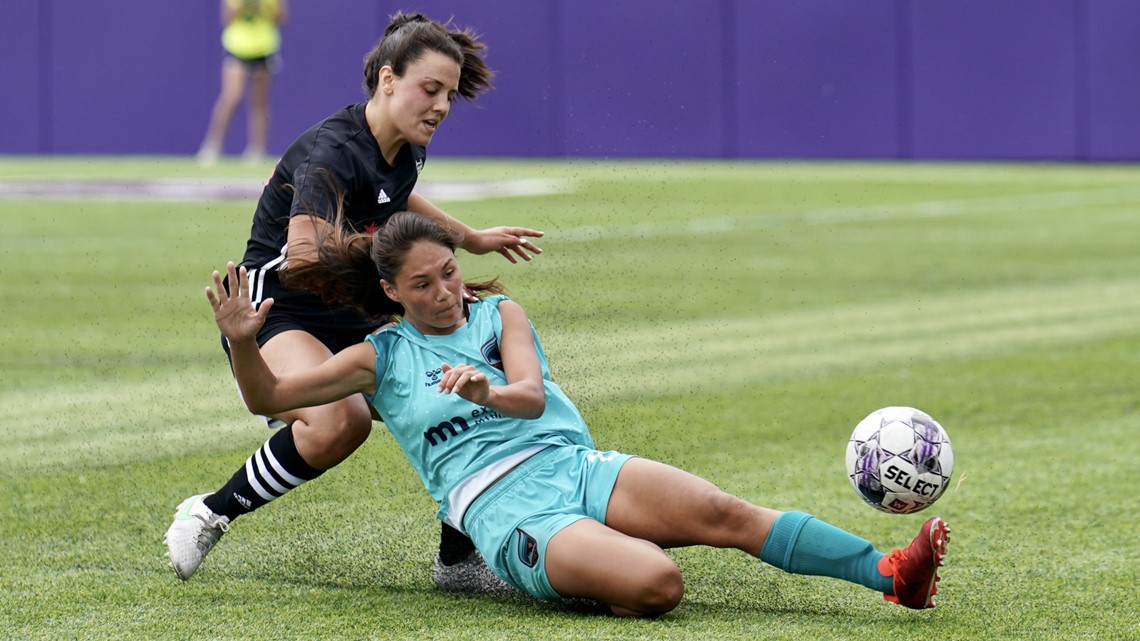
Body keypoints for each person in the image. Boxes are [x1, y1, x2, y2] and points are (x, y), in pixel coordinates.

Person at [202, 210, 953, 616]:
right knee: (660, 585)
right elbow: (268, 398)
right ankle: (588, 558)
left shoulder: (501, 315)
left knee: (727, 512)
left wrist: (486, 391)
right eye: (425, 283)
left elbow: (527, 394)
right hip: (504, 511)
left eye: (451, 271)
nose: (446, 291)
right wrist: (243, 343)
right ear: (393, 292)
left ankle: (890, 573)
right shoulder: (380, 356)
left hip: (574, 466)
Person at [166, 13, 543, 593]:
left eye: (448, 93)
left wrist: (470, 239)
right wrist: (406, 276)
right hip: (279, 310)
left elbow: (399, 194)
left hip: (354, 300)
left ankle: (458, 560)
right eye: (430, 89)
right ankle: (211, 511)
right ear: (388, 79)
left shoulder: (402, 144)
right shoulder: (332, 152)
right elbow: (305, 255)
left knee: (464, 381)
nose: (441, 105)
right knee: (340, 422)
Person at [197, 0, 288, 165]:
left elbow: (281, 17)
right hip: (238, 47)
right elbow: (226, 17)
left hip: (264, 48)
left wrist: (264, 8)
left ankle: (257, 149)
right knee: (232, 96)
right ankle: (213, 144)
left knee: (259, 101)